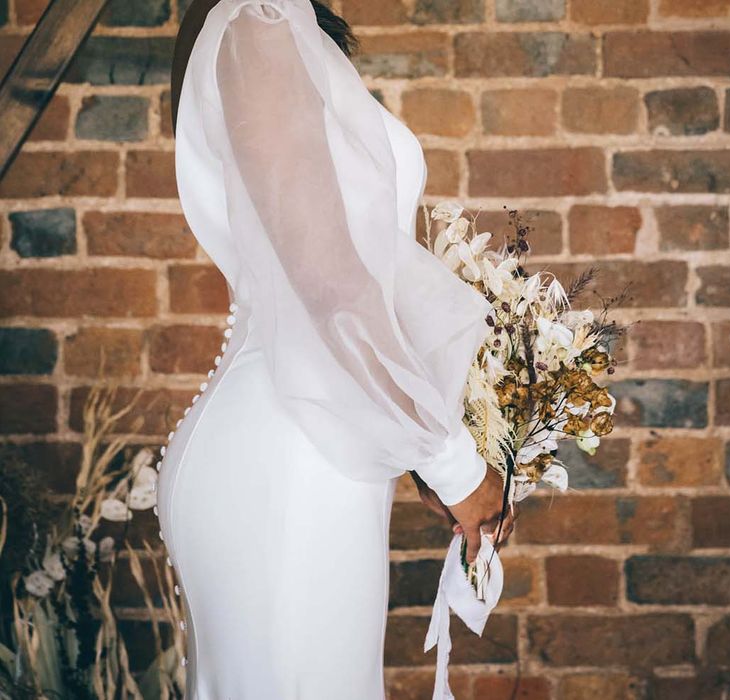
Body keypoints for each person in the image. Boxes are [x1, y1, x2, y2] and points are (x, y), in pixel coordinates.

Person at [155, 1, 514, 697]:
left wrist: (412, 443)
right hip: (291, 453)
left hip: (316, 431)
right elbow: (329, 281)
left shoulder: (270, 24)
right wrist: (454, 466)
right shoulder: (255, 19)